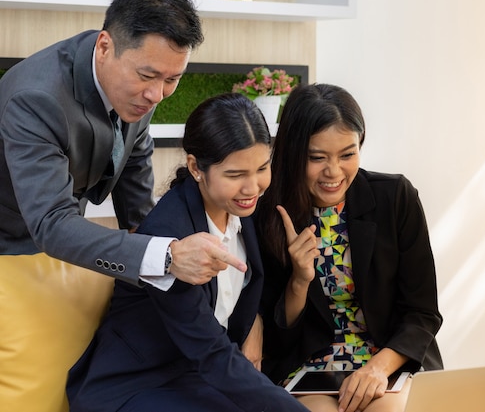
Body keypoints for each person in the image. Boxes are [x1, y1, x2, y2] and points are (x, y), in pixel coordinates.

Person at [66, 93, 311, 412]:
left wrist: (258, 320)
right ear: (197, 168)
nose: (253, 187)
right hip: (134, 384)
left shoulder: (240, 209)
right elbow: (211, 353)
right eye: (236, 175)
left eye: (262, 168)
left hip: (194, 376)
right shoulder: (171, 236)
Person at [0, 0, 246, 289]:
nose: (157, 95)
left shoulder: (143, 80)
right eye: (148, 76)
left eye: (172, 79)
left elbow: (134, 170)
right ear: (104, 47)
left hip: (61, 249)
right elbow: (52, 224)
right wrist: (167, 256)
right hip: (10, 245)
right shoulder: (36, 99)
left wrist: (156, 242)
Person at [255, 83, 443, 412]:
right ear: (294, 152)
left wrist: (377, 369)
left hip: (388, 360)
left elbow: (422, 313)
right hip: (308, 367)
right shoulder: (267, 214)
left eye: (347, 154)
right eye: (317, 158)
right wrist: (299, 280)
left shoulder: (396, 197)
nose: (334, 171)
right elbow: (276, 339)